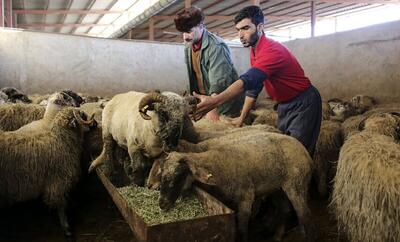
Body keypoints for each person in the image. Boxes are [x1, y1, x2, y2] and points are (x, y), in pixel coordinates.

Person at [193, 5, 322, 157]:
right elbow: (254, 87)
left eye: (246, 28)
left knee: (298, 155)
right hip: (284, 106)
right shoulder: (255, 50)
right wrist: (242, 117)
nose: (241, 35)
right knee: (285, 151)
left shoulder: (271, 50)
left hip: (303, 103)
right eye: (238, 30)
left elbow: (248, 80)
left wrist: (215, 101)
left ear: (260, 27)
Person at [174, 6, 244, 121]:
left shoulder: (216, 46)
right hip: (205, 99)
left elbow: (219, 81)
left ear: (201, 26)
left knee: (221, 130)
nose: (185, 36)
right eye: (183, 32)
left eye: (189, 31)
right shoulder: (188, 45)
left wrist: (212, 107)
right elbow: (193, 74)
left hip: (223, 102)